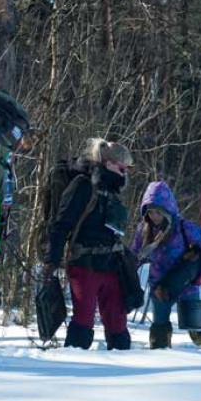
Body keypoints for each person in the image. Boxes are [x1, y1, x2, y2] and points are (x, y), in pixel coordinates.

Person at [43, 138, 133, 350]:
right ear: (110, 164)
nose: (126, 172)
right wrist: (51, 260)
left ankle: (125, 372)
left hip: (111, 265)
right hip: (84, 264)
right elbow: (61, 224)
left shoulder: (112, 191)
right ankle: (74, 365)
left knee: (117, 323)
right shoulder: (82, 185)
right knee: (83, 321)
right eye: (123, 167)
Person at [131, 181, 201, 349]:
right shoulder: (144, 230)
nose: (155, 216)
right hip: (160, 287)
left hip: (186, 283)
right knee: (159, 329)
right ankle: (161, 357)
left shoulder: (183, 228)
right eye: (151, 212)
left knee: (198, 329)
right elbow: (134, 256)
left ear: (168, 210)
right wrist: (127, 274)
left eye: (158, 212)